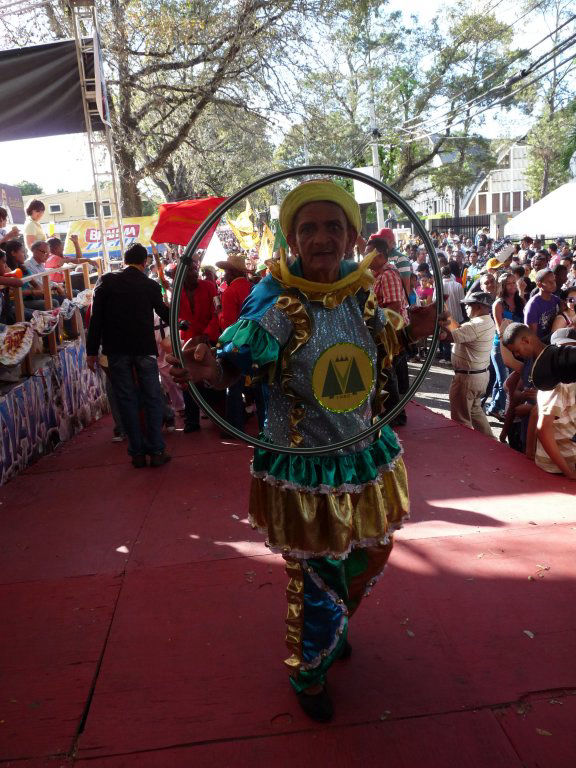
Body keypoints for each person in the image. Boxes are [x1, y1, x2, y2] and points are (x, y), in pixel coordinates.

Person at [168, 180, 439, 722]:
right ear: (291, 238)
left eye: (333, 226)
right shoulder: (277, 303)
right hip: (304, 467)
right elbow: (232, 362)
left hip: (365, 453)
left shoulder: (364, 293)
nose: (321, 238)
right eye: (309, 228)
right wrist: (208, 369)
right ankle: (309, 671)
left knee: (371, 554)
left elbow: (387, 347)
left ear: (352, 236)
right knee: (317, 576)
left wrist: (414, 332)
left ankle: (337, 619)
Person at [86, 243, 171, 468]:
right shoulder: (149, 284)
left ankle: (137, 453)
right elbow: (165, 313)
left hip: (116, 350)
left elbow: (95, 319)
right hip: (144, 349)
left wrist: (91, 352)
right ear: (144, 263)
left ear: (124, 260)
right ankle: (157, 449)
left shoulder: (105, 281)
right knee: (152, 398)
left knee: (127, 400)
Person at [501, 324, 576, 480]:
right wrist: (569, 473)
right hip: (562, 463)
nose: (517, 354)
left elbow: (536, 413)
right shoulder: (559, 378)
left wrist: (530, 453)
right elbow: (542, 428)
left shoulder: (549, 369)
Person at [178, 256, 221, 433]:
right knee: (188, 380)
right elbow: (175, 316)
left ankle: (218, 417)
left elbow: (218, 311)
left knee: (212, 378)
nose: (195, 273)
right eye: (191, 270)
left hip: (209, 338)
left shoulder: (210, 287)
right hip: (188, 342)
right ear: (181, 273)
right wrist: (181, 323)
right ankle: (192, 420)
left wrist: (207, 334)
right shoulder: (177, 290)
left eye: (196, 269)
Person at [443, 291, 495, 437]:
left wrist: (440, 324)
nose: (465, 308)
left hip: (467, 378)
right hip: (479, 376)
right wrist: (447, 314)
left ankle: (464, 451)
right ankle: (491, 444)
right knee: (475, 411)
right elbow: (459, 329)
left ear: (477, 306)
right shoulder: (486, 321)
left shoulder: (476, 325)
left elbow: (449, 336)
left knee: (461, 421)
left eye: (468, 305)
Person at [215, 252, 254, 432]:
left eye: (225, 272)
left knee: (233, 385)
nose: (223, 275)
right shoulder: (253, 287)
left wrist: (219, 314)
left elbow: (229, 324)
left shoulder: (230, 292)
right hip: (256, 342)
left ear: (231, 272)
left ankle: (234, 425)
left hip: (237, 344)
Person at [487, 272, 525, 419]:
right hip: (500, 346)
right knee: (504, 380)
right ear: (502, 286)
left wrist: (521, 292)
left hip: (516, 346)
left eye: (513, 282)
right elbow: (499, 328)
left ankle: (495, 407)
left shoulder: (519, 301)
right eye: (509, 283)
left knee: (501, 379)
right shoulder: (499, 303)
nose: (512, 285)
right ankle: (499, 408)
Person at [524, 268, 560, 341]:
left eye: (554, 281)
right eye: (550, 282)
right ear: (539, 284)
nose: (554, 284)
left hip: (553, 339)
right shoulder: (533, 306)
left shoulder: (555, 299)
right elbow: (532, 336)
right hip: (541, 344)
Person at [438, 264, 464, 362]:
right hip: (458, 314)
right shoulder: (458, 285)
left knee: (446, 339)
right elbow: (462, 301)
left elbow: (435, 301)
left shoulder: (439, 286)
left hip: (445, 316)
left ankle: (447, 358)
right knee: (458, 338)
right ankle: (458, 357)